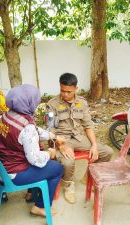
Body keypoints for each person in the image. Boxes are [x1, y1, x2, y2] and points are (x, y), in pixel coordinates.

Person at [0, 84, 63, 217]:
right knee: (56, 169)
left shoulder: (8, 115)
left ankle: (31, 193)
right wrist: (50, 153)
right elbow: (35, 159)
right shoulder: (27, 126)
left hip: (0, 168)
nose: (36, 105)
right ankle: (40, 207)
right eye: (36, 102)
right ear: (29, 103)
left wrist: (54, 136)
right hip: (13, 175)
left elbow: (32, 133)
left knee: (36, 159)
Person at [46, 73, 114, 204]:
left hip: (78, 137)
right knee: (68, 162)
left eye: (68, 92)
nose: (65, 94)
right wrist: (61, 146)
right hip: (61, 139)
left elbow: (88, 125)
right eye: (62, 90)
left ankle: (88, 176)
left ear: (76, 88)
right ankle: (68, 185)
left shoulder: (82, 102)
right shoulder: (52, 104)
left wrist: (94, 145)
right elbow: (50, 129)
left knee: (107, 152)